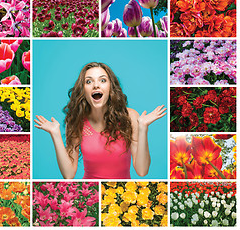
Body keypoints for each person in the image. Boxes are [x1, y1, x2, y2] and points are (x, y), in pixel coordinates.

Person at [34, 62, 166, 179]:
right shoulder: (76, 121)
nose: (96, 85)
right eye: (89, 81)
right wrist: (55, 134)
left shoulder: (130, 117)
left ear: (110, 87)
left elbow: (142, 171)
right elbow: (68, 175)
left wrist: (143, 128)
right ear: (83, 90)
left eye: (102, 80)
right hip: (92, 192)